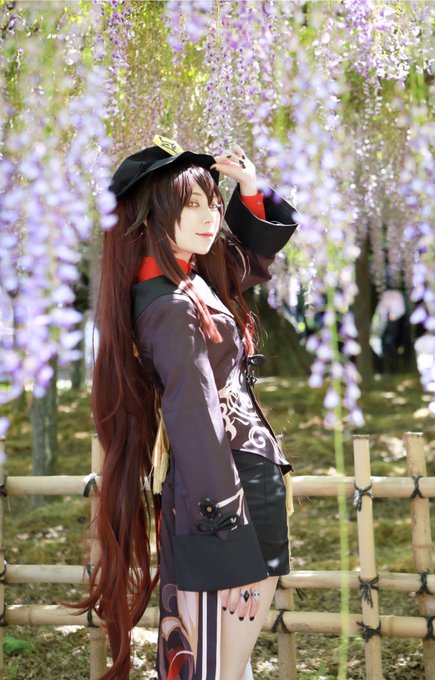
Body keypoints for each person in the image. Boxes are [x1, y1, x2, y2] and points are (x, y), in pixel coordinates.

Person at [78, 134, 300, 680]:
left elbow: (242, 262)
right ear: (152, 217)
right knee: (217, 669)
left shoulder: (182, 279)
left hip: (229, 487)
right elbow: (196, 422)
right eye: (191, 204)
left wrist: (249, 190)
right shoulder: (171, 307)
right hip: (229, 496)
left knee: (222, 666)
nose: (210, 217)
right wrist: (228, 537)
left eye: (211, 202)